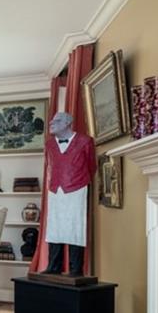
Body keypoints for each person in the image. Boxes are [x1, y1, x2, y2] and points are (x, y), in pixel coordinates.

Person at [42, 111, 95, 276]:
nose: (52, 123)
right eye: (51, 121)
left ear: (67, 123)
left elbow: (91, 166)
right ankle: (54, 266)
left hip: (76, 188)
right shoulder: (49, 145)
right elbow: (49, 165)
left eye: (56, 121)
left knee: (75, 228)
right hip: (55, 189)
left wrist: (80, 181)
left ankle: (75, 268)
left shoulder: (85, 142)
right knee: (55, 227)